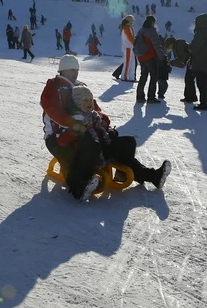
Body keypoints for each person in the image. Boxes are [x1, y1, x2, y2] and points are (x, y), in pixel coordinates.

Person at [40, 55, 172, 201]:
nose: (75, 73)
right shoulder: (54, 87)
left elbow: (95, 109)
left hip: (87, 134)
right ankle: (80, 186)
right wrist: (73, 123)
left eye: (76, 70)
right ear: (62, 70)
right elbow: (53, 110)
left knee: (125, 143)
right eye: (71, 70)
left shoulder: (80, 87)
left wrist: (103, 124)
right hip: (59, 137)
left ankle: (151, 176)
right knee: (85, 149)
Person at [183, 14, 207, 110]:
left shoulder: (202, 33)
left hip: (200, 62)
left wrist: (187, 48)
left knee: (201, 84)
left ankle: (204, 103)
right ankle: (191, 96)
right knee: (191, 78)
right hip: (202, 62)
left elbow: (194, 48)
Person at [134, 15, 166, 104]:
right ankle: (151, 97)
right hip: (150, 57)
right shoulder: (152, 31)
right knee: (153, 77)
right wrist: (161, 56)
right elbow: (156, 45)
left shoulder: (141, 31)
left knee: (143, 76)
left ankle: (140, 96)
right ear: (152, 22)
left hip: (141, 57)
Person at [114, 15, 136, 82]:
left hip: (130, 47)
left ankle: (131, 77)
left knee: (132, 63)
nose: (133, 22)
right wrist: (136, 42)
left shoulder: (129, 28)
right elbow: (130, 38)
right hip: (128, 47)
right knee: (127, 62)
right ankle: (125, 77)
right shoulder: (126, 28)